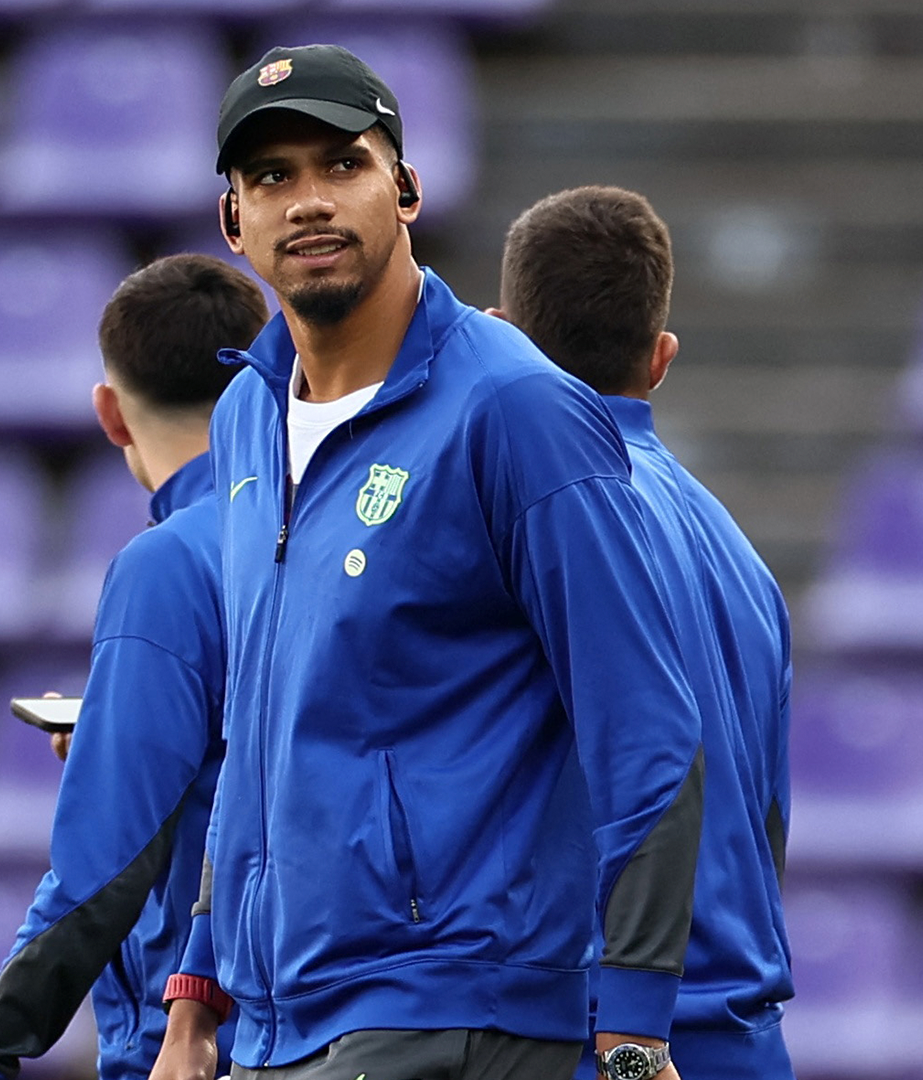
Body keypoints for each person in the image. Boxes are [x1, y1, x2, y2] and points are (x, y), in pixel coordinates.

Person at [152, 43, 705, 1080]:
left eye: (341, 164)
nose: (308, 200)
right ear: (234, 220)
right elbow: (261, 729)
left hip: (451, 1005)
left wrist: (633, 1030)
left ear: (404, 187)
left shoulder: (516, 407)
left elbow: (648, 726)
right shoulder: (243, 421)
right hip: (285, 1021)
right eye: (271, 176)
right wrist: (196, 996)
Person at [0, 254, 269, 1080]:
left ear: (111, 414)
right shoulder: (320, 529)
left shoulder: (168, 565)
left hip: (195, 1038)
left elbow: (105, 861)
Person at [494, 185, 794, 1080]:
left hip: (600, 1038)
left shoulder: (518, 520)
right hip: (739, 1036)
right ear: (660, 359)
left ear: (503, 335)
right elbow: (766, 820)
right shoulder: (742, 557)